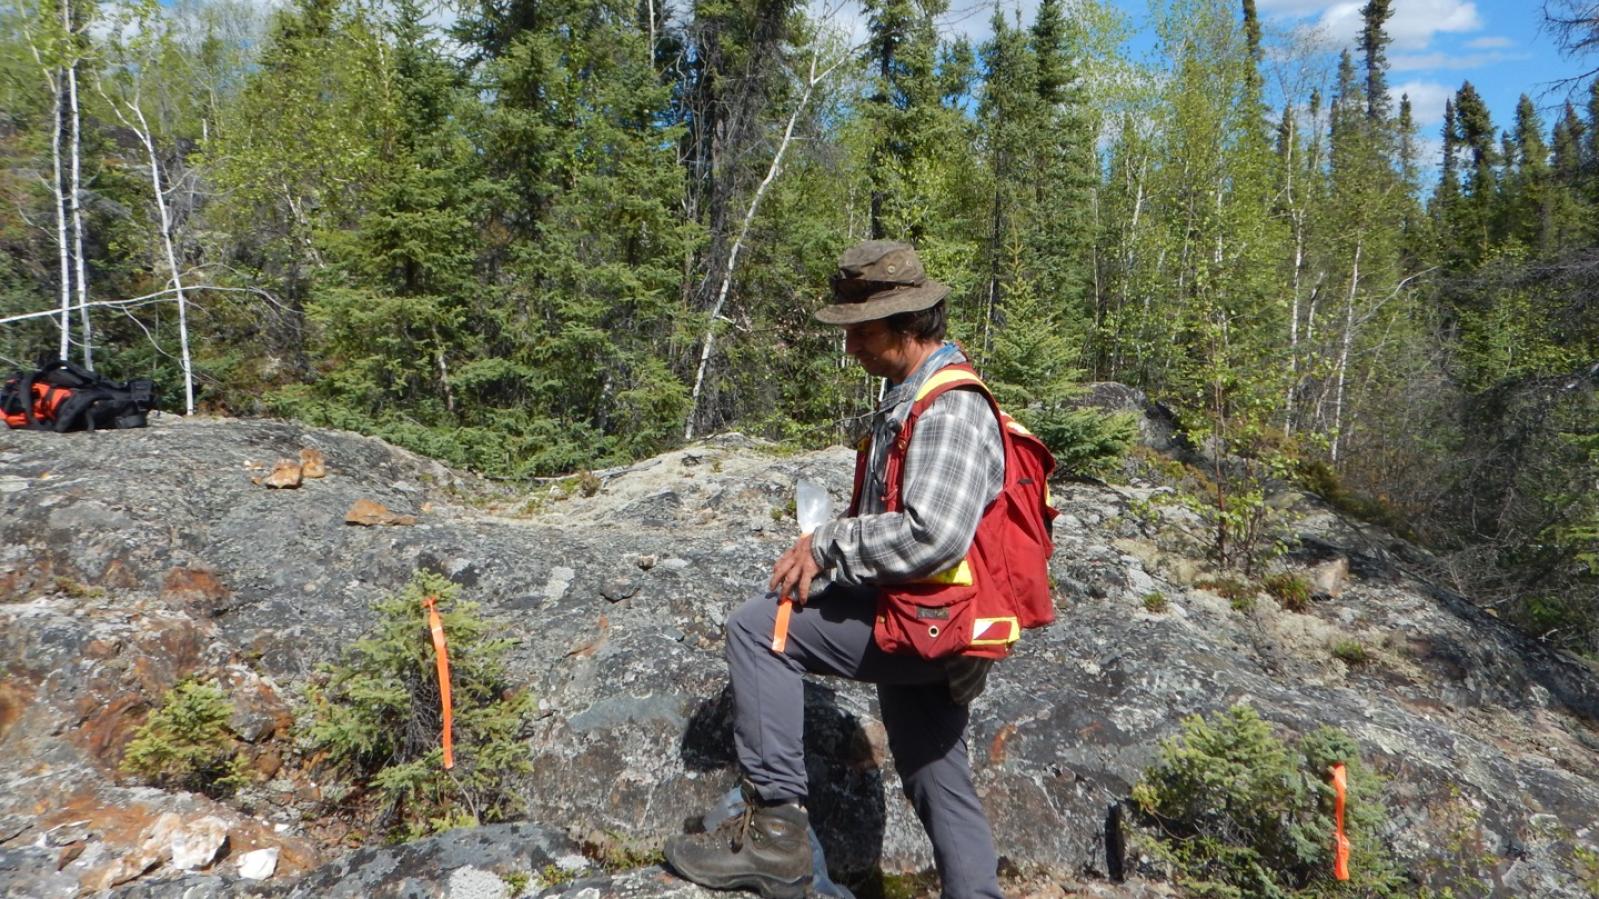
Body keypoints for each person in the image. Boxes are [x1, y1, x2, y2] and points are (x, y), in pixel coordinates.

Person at [664, 240, 1006, 899]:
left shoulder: (950, 408)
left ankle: (775, 840)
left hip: (929, 618)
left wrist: (826, 547)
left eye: (860, 331)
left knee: (760, 628)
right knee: (936, 771)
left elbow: (933, 533)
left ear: (906, 326)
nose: (849, 346)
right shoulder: (910, 395)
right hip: (925, 615)